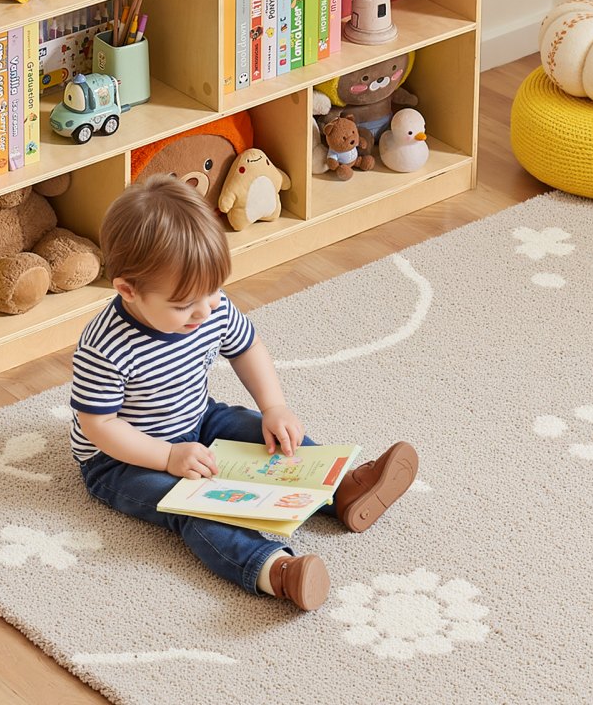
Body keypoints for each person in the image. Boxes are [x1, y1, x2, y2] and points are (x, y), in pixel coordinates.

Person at [69, 175, 418, 610]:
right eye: (184, 305)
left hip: (197, 417)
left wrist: (274, 407)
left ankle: (341, 490)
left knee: (262, 434)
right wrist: (168, 457)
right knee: (195, 505)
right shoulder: (105, 346)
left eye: (212, 292)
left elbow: (247, 348)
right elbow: (99, 426)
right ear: (128, 290)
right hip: (121, 460)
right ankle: (274, 570)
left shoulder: (209, 306)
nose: (204, 311)